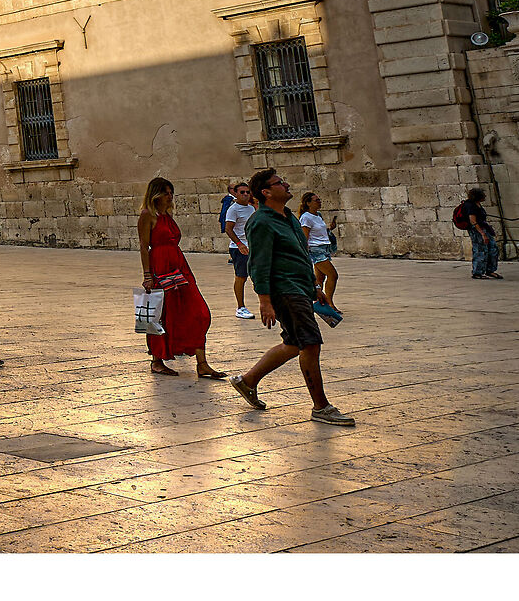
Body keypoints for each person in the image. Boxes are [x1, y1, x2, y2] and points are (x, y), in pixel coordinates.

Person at [229, 167, 355, 425]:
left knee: (294, 343)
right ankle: (321, 407)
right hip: (284, 290)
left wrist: (314, 287)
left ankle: (248, 381)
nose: (286, 185)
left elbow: (300, 255)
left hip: (300, 288)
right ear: (266, 192)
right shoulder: (261, 222)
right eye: (279, 182)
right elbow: (258, 263)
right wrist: (264, 300)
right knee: (310, 343)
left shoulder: (289, 217)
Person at [135, 177, 222, 379]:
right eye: (166, 192)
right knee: (159, 313)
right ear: (155, 194)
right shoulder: (148, 215)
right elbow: (143, 246)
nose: (170, 196)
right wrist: (147, 275)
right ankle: (157, 360)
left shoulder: (168, 214)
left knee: (198, 312)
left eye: (171, 192)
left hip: (179, 266)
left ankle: (202, 363)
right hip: (160, 267)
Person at [299, 192, 343, 323]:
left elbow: (319, 232)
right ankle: (329, 303)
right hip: (315, 250)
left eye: (319, 199)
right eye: (316, 200)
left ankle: (317, 303)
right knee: (333, 275)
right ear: (308, 203)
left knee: (320, 278)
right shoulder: (306, 217)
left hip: (324, 248)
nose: (319, 202)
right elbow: (304, 236)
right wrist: (305, 253)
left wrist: (330, 228)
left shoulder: (318, 215)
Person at [223, 180, 257, 318]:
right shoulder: (233, 209)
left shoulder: (251, 208)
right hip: (239, 249)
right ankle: (240, 307)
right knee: (241, 277)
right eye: (242, 192)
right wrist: (239, 244)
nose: (245, 194)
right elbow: (228, 229)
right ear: (236, 194)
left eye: (247, 192)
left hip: (252, 247)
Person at [458, 187, 501, 279]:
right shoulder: (470, 205)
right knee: (480, 250)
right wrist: (482, 234)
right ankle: (478, 272)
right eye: (483, 195)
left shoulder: (477, 204)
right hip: (476, 230)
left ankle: (490, 270)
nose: (485, 197)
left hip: (484, 228)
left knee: (493, 248)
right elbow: (473, 221)